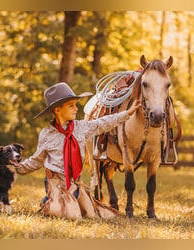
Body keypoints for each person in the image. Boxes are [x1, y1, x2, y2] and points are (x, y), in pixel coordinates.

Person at [15, 82, 140, 219]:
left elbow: (102, 123)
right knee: (69, 215)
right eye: (71, 106)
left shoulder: (80, 127)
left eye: (75, 104)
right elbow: (36, 161)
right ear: (57, 110)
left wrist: (127, 113)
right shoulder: (47, 135)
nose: (76, 109)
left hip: (74, 183)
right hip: (56, 182)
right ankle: (49, 202)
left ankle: (73, 199)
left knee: (93, 215)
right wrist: (16, 168)